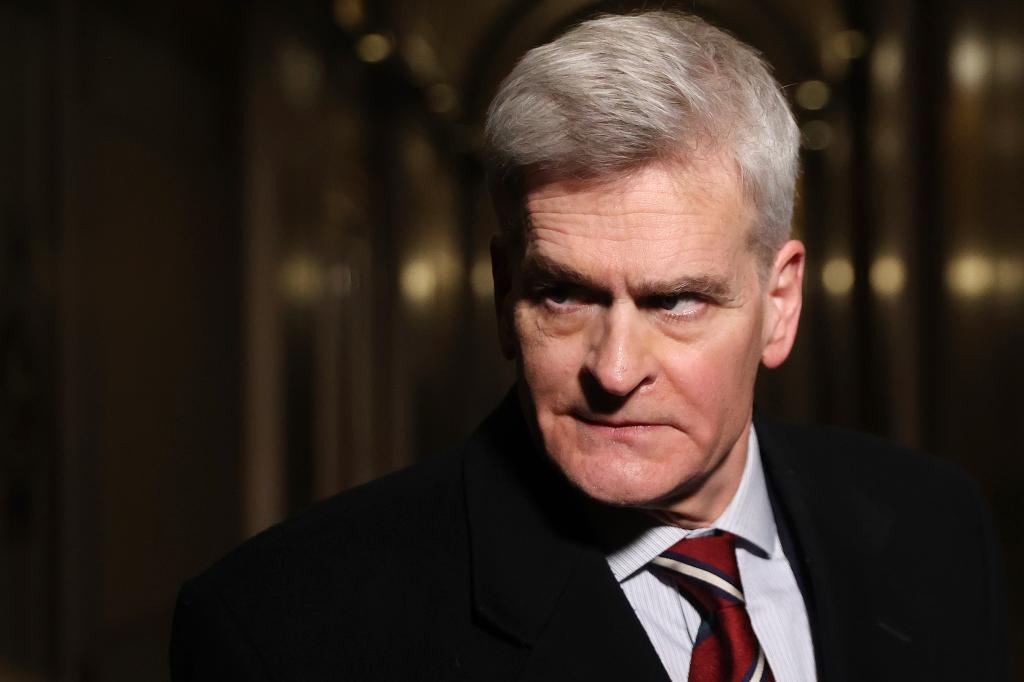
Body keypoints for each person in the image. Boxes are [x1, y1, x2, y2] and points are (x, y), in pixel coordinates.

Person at [169, 11, 1009, 682]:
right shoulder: (286, 634)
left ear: (779, 302)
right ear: (506, 297)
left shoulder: (934, 525)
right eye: (563, 294)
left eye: (676, 301)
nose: (612, 370)